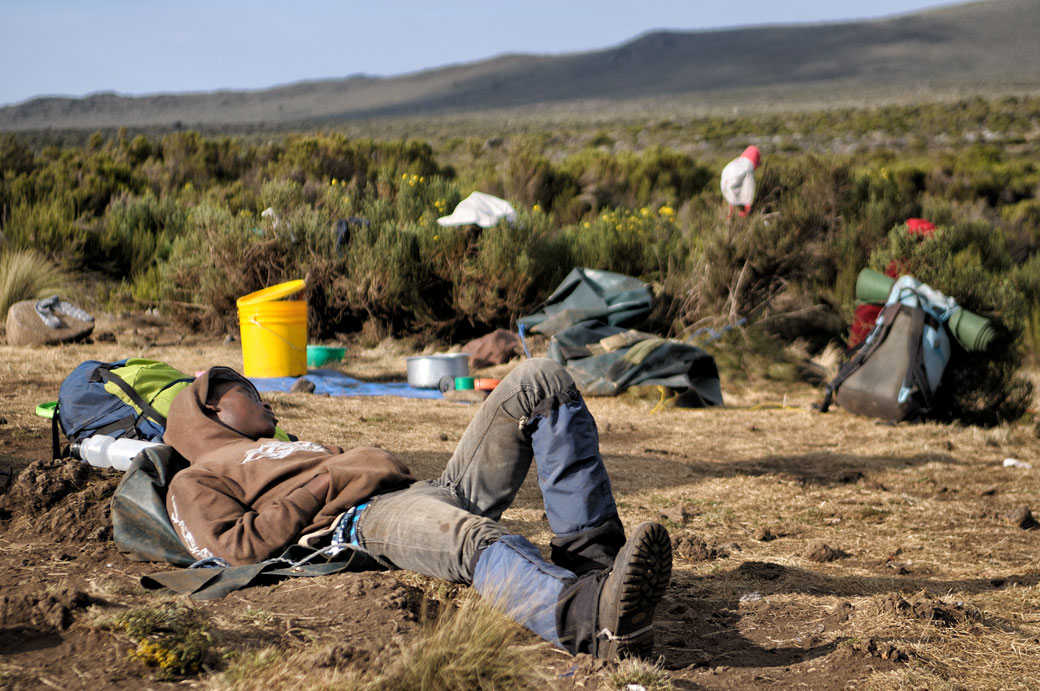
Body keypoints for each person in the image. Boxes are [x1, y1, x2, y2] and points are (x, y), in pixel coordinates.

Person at [163, 358, 672, 660]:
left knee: (540, 381)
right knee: (474, 540)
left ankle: (594, 568)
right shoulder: (196, 477)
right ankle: (590, 623)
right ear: (211, 406)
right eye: (250, 392)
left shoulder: (286, 445)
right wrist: (322, 485)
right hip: (364, 519)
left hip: (429, 488)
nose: (268, 401)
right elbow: (232, 547)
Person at [720, 145, 761, 217]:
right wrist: (748, 205)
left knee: (731, 194)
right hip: (734, 177)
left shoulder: (739, 162)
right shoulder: (748, 165)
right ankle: (744, 213)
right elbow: (749, 187)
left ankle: (731, 214)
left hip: (726, 177)